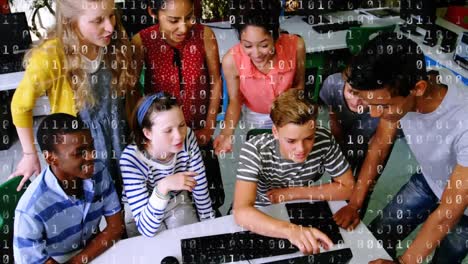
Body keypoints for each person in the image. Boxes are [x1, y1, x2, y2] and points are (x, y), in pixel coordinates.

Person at [345, 32, 468, 264]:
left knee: (444, 259)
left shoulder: (464, 120)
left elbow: (446, 214)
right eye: (370, 104)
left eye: (382, 106)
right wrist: (354, 203)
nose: (374, 114)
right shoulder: (403, 85)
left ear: (418, 88)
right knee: (378, 237)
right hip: (431, 179)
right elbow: (380, 145)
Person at [10, 0, 138, 191]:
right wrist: (29, 154)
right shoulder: (51, 56)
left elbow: (128, 96)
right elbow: (20, 106)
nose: (110, 26)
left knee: (117, 197)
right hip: (80, 151)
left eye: (112, 15)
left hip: (118, 138)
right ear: (71, 22)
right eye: (98, 20)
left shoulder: (116, 42)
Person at [233, 89, 355, 254]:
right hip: (263, 212)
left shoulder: (324, 139)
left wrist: (290, 193)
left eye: (309, 138)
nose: (301, 149)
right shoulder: (254, 149)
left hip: (302, 206)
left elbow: (347, 187)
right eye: (291, 141)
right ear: (275, 132)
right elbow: (241, 212)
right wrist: (290, 231)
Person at [132, 0, 224, 214]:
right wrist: (147, 135)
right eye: (173, 20)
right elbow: (134, 90)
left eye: (189, 17)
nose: (184, 27)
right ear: (153, 13)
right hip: (162, 140)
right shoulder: (142, 41)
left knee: (210, 196)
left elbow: (215, 81)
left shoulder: (204, 35)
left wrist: (209, 127)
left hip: (199, 133)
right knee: (172, 203)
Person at [13, 113, 124, 264]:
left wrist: (79, 260)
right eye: (80, 152)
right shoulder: (30, 209)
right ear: (51, 158)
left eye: (92, 146)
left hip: (93, 250)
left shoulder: (99, 171)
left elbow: (116, 227)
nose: (91, 156)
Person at [213, 0, 306, 154]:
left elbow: (299, 85)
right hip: (256, 117)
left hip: (289, 112)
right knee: (262, 156)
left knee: (289, 158)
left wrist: (289, 120)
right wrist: (226, 133)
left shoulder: (296, 46)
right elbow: (235, 101)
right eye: (247, 46)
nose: (256, 54)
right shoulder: (231, 60)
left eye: (264, 45)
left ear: (276, 34)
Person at [120, 92, 214, 237]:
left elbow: (199, 185)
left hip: (177, 200)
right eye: (168, 130)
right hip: (143, 213)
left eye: (182, 125)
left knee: (190, 241)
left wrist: (209, 225)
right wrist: (163, 186)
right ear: (147, 133)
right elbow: (146, 229)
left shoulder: (187, 136)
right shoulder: (131, 159)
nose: (179, 136)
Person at [319, 69, 398, 227]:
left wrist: (354, 205)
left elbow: (377, 152)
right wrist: (338, 156)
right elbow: (334, 119)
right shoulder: (333, 85)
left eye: (365, 97)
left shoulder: (388, 106)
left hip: (373, 148)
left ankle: (353, 220)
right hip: (346, 139)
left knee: (364, 186)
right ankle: (333, 219)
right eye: (351, 92)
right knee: (340, 181)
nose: (355, 102)